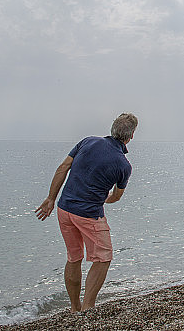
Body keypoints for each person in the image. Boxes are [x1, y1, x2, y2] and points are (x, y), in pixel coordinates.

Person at [35, 113, 138, 312]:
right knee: (103, 258)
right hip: (89, 215)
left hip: (64, 209)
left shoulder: (88, 141)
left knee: (74, 257)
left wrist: (50, 199)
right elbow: (117, 196)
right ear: (131, 136)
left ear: (112, 129)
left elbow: (63, 167)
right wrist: (104, 198)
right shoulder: (123, 165)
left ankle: (74, 307)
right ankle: (87, 307)